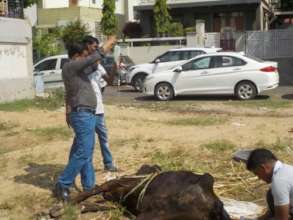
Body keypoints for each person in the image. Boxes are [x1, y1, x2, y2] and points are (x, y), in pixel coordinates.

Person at [54, 36, 116, 202]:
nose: (85, 58)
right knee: (84, 151)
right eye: (83, 55)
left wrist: (100, 51)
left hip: (87, 113)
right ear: (76, 55)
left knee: (82, 150)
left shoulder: (77, 70)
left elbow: (95, 64)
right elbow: (94, 58)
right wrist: (107, 44)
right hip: (82, 114)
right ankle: (63, 183)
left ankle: (88, 187)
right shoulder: (71, 66)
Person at [83, 36, 118, 172]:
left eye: (98, 47)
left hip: (99, 109)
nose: (96, 49)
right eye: (94, 47)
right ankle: (87, 167)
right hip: (87, 110)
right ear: (87, 46)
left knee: (104, 138)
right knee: (88, 142)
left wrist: (114, 68)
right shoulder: (84, 64)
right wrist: (107, 44)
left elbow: (109, 81)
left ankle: (108, 163)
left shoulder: (99, 66)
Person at [246, 148, 293, 220]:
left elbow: (282, 219)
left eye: (257, 173)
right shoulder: (287, 168)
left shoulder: (279, 181)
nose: (258, 177)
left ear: (263, 168)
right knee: (271, 194)